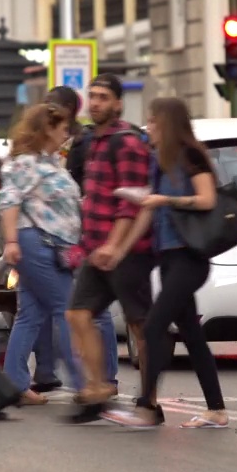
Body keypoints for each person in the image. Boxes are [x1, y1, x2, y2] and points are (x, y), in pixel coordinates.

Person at [101, 98, 228, 429]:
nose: (148, 128)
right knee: (192, 335)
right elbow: (148, 211)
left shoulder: (191, 155)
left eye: (153, 121)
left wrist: (166, 199)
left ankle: (145, 407)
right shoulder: (160, 160)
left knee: (155, 327)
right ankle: (216, 409)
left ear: (167, 124)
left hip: (190, 258)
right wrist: (121, 249)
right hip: (170, 258)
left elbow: (207, 199)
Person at [64, 74, 154, 423]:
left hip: (124, 252)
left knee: (140, 327)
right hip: (95, 249)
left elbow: (130, 203)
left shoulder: (127, 142)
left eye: (103, 97)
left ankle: (150, 400)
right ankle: (98, 387)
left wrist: (115, 246)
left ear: (118, 103)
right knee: (77, 313)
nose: (96, 102)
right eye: (93, 96)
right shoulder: (93, 141)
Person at [0, 103, 86, 405]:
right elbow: (8, 200)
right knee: (67, 309)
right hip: (37, 243)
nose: (67, 133)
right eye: (63, 127)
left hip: (50, 244)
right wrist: (11, 242)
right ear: (47, 128)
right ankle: (84, 384)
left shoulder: (47, 162)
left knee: (31, 314)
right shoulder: (26, 163)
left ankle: (14, 384)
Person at [47, 85, 120, 394]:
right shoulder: (62, 142)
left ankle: (105, 380)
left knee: (95, 312)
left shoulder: (83, 142)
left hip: (90, 236)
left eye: (53, 106)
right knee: (79, 311)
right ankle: (94, 381)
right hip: (74, 235)